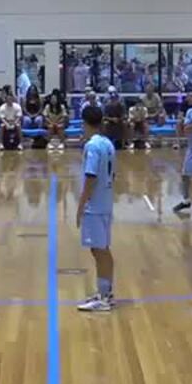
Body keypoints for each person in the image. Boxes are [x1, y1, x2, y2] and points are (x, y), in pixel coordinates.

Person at [76, 106, 117, 312]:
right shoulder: (108, 144)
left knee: (99, 250)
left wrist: (81, 205)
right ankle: (105, 292)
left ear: (84, 123)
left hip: (95, 205)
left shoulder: (92, 146)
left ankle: (104, 297)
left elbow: (91, 176)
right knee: (102, 249)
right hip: (106, 202)